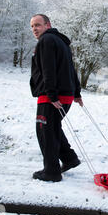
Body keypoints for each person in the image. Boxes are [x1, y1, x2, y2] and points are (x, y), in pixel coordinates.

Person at [30, 14, 83, 182]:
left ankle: (51, 172)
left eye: (38, 25)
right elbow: (71, 68)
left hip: (51, 96)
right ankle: (69, 158)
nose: (34, 29)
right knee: (53, 128)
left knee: (45, 132)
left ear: (48, 24)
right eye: (32, 26)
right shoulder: (62, 43)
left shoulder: (46, 41)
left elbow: (48, 69)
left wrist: (52, 95)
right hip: (65, 96)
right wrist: (76, 93)